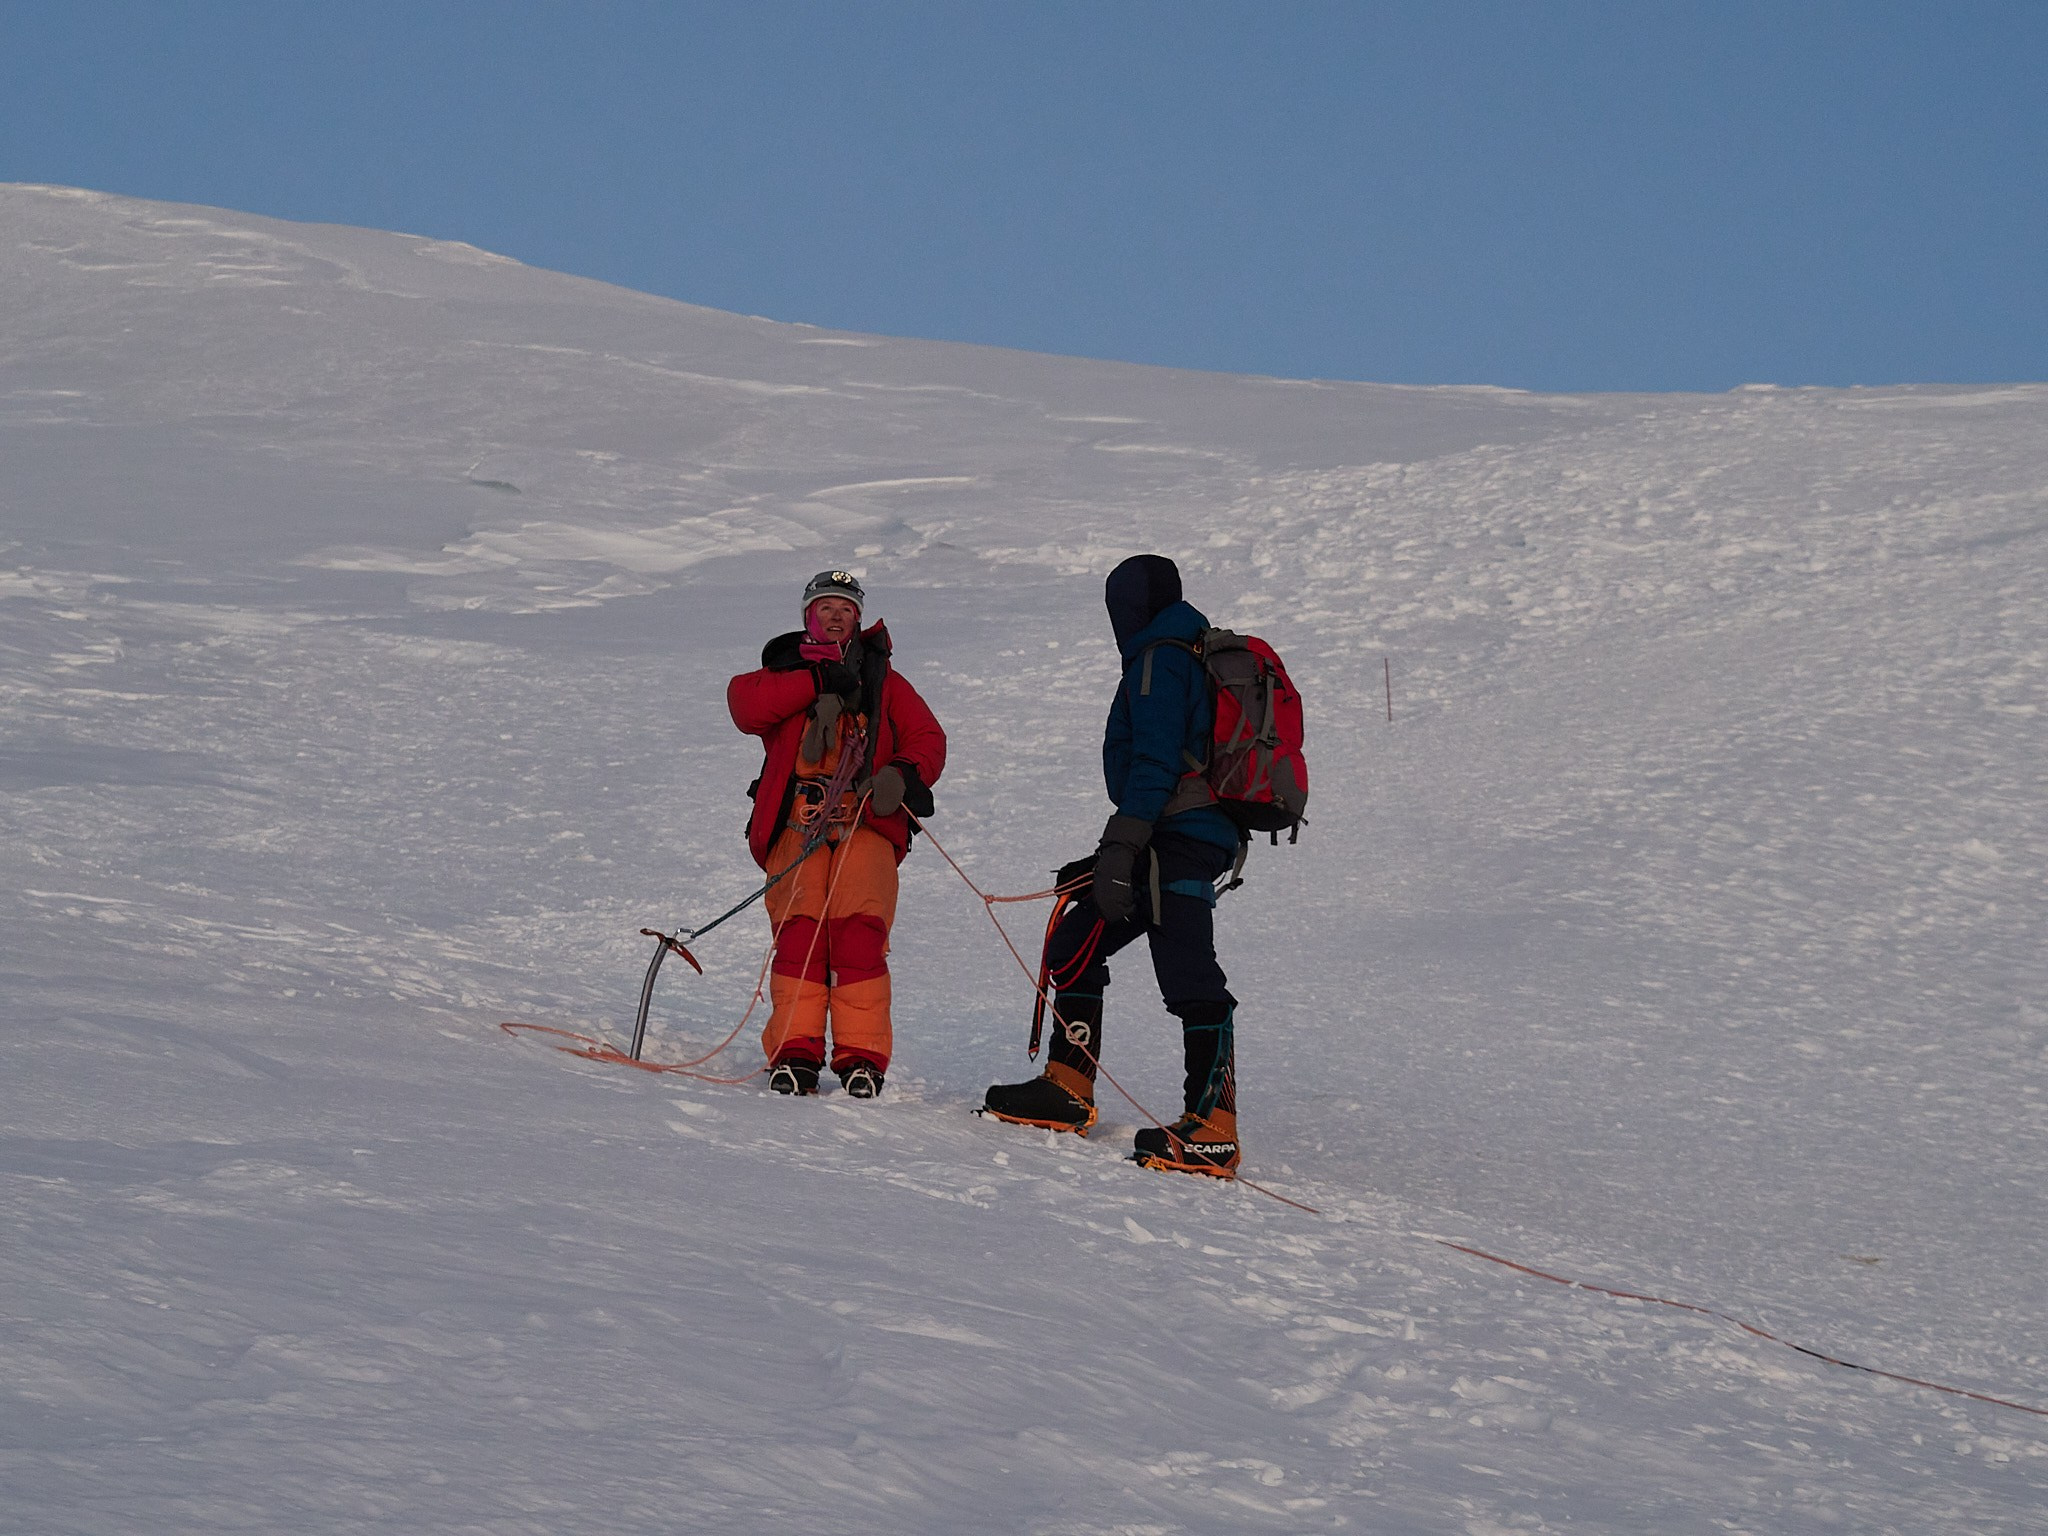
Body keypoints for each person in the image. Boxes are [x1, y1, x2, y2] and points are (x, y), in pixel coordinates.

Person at [983, 554, 1243, 1175]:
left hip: (1178, 836)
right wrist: (1117, 851)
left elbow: (1155, 763)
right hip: (1181, 832)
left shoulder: (1162, 658)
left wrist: (1120, 848)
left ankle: (1213, 1129)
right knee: (1077, 936)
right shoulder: (1187, 651)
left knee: (1188, 970)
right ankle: (1067, 1088)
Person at [727, 571, 946, 1098]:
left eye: (845, 608)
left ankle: (862, 1057)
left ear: (857, 618)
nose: (835, 615)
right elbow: (744, 706)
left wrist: (900, 774)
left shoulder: (886, 683)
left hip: (864, 823)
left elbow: (928, 739)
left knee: (858, 935)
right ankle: (796, 1053)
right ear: (808, 616)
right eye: (825, 606)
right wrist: (817, 681)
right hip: (798, 826)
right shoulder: (783, 673)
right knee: (800, 933)